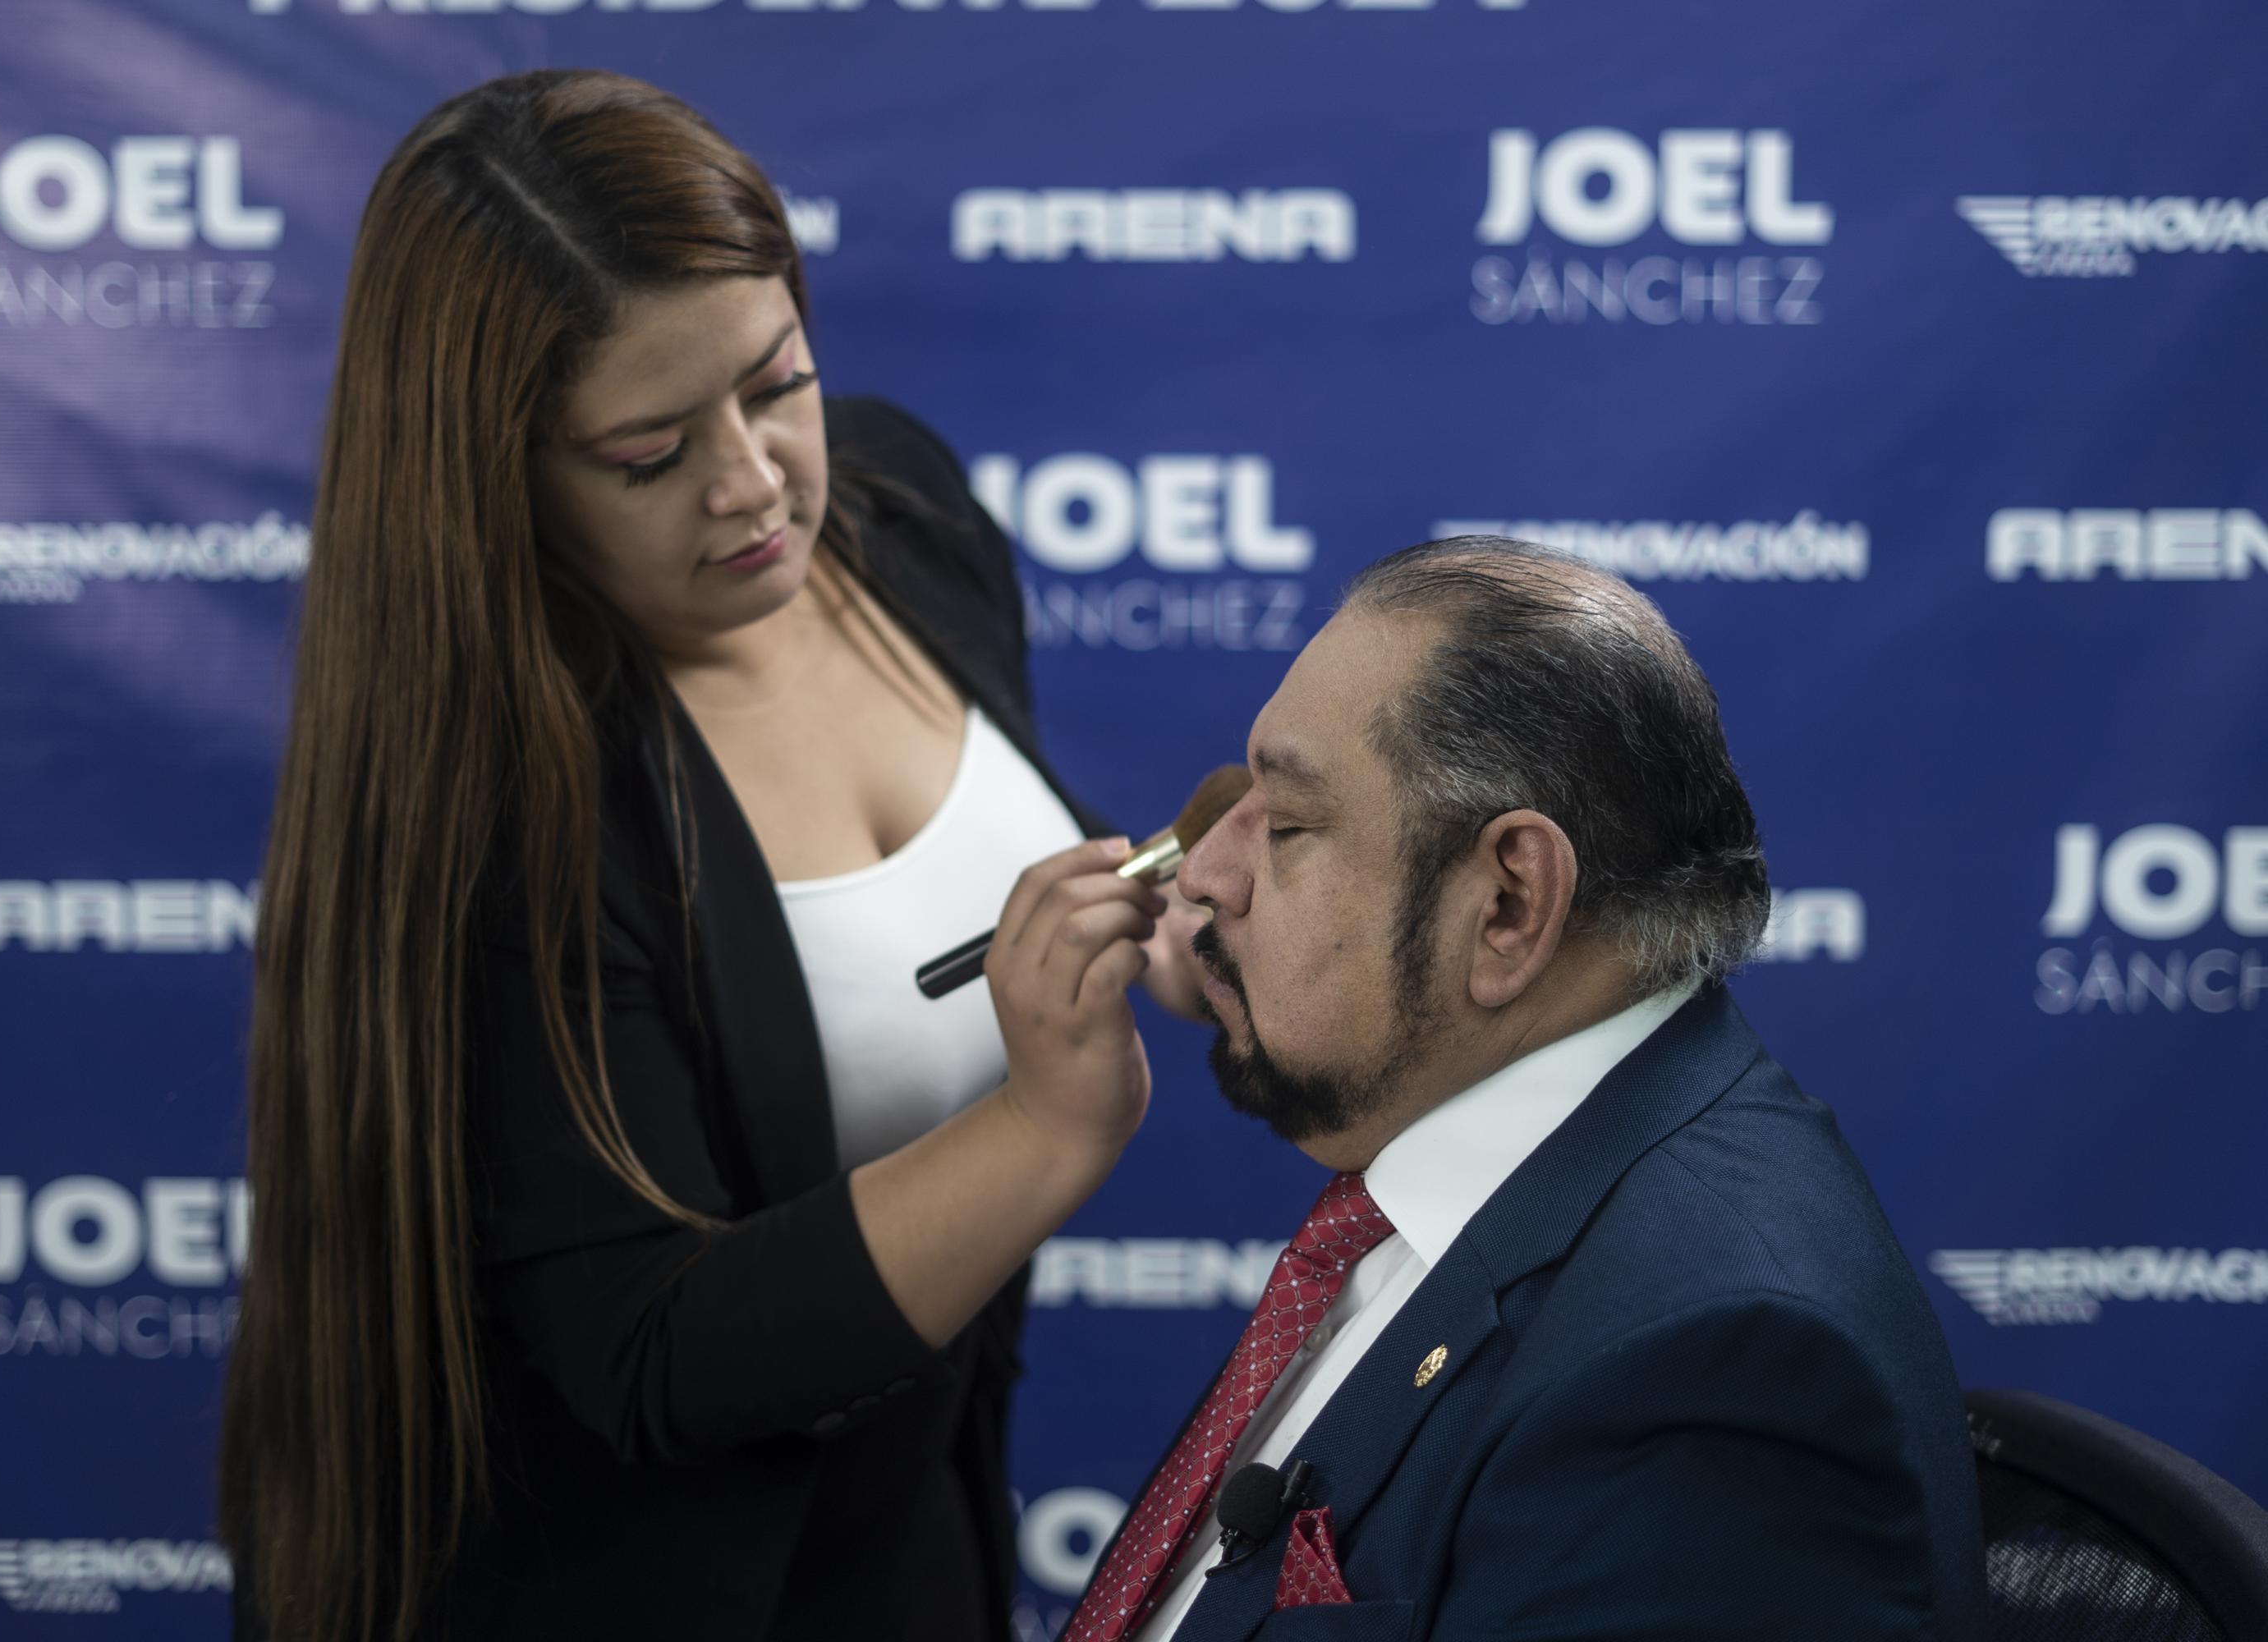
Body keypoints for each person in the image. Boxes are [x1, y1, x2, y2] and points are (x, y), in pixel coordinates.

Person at [216, 70, 1213, 1642]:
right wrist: (1048, 1126)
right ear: (505, 485)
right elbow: (654, 1358)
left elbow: (960, 910)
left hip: (920, 1533)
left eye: (778, 383)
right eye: (647, 451)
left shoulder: (911, 511)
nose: (752, 483)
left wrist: (1139, 925)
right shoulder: (497, 799)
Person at [1067, 537, 1984, 1640]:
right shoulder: (1461, 1186)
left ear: (1507, 904)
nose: (1206, 875)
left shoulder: (1709, 1378)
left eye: (1292, 824)